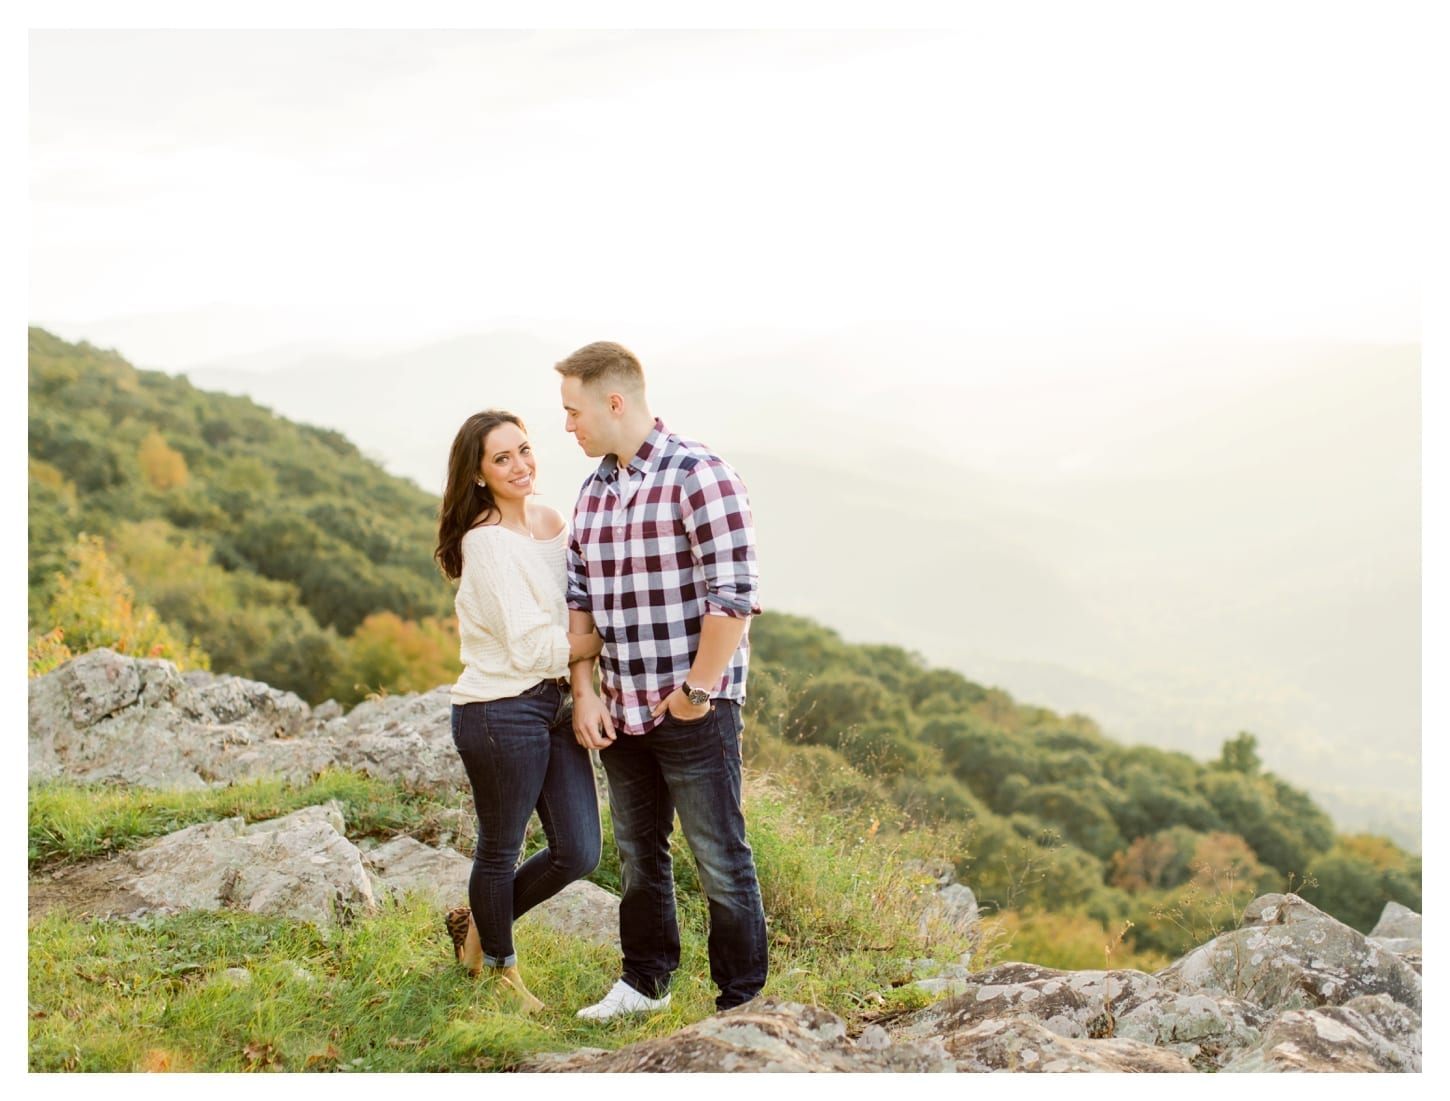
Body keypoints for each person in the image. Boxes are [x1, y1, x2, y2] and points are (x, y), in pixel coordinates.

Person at [556, 341, 768, 1019]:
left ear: (614, 402)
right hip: (622, 708)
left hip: (693, 709)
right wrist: (585, 690)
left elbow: (732, 596)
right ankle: (645, 983)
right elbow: (580, 602)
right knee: (638, 854)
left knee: (719, 857)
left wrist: (697, 692)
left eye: (573, 410)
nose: (568, 426)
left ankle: (742, 1006)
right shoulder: (593, 492)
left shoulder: (698, 474)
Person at [434, 409, 604, 1013]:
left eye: (524, 450)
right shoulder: (485, 544)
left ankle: (477, 926)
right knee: (500, 848)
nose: (519, 466)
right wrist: (613, 637)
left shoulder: (553, 521)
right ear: (478, 475)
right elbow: (532, 645)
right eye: (501, 459)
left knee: (580, 852)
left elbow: (575, 610)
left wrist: (584, 675)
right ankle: (503, 978)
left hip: (553, 704)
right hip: (499, 709)